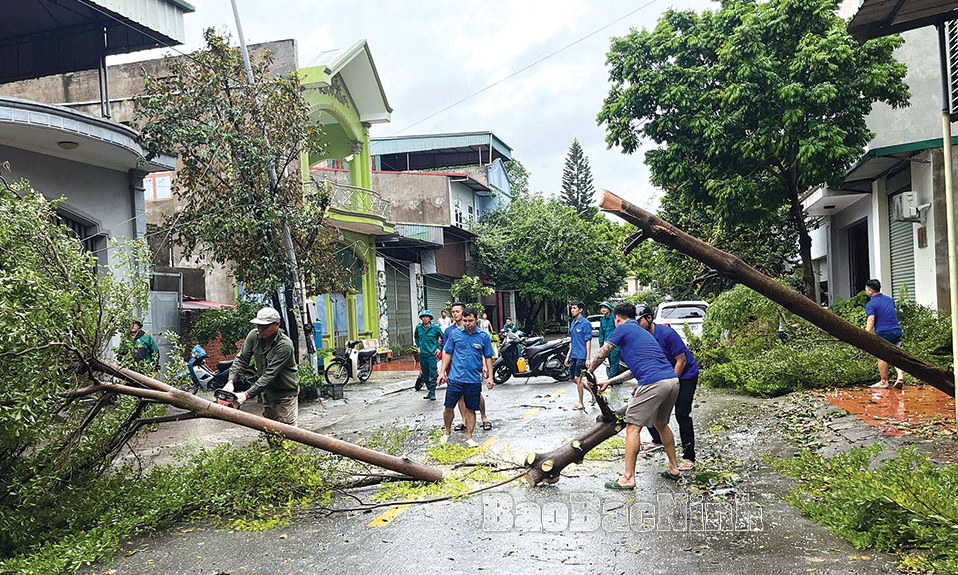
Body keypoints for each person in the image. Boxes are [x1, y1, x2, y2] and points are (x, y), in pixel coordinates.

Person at [589, 302, 681, 488]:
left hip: (653, 383)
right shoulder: (643, 334)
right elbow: (633, 371)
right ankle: (673, 467)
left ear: (617, 318)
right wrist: (609, 381)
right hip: (672, 381)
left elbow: (603, 352)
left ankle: (628, 478)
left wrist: (589, 371)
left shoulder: (622, 328)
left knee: (633, 427)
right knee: (661, 424)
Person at [636, 305, 699, 471]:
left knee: (682, 414)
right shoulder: (642, 338)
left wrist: (672, 383)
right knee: (650, 407)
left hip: (685, 375)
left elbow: (681, 360)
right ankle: (657, 440)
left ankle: (688, 456)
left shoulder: (667, 334)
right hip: (663, 376)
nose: (636, 324)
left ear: (649, 318)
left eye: (639, 320)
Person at [225, 307, 300, 426]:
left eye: (264, 327)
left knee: (287, 433)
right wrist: (230, 381)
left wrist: (246, 395)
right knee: (270, 430)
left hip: (285, 395)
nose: (260, 329)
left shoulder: (284, 345)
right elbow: (242, 359)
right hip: (267, 393)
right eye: (258, 325)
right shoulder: (254, 336)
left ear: (276, 324)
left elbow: (269, 375)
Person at [437, 306, 495, 446]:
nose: (467, 323)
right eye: (465, 320)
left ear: (476, 320)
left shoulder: (483, 336)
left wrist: (490, 377)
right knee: (448, 407)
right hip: (455, 378)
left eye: (470, 320)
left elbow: (488, 357)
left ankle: (469, 437)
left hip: (473, 379)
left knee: (470, 408)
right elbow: (447, 353)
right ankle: (447, 432)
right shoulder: (455, 334)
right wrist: (442, 372)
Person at [864, 279, 905, 389]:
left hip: (884, 333)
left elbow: (871, 319)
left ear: (870, 290)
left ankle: (883, 381)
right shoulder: (889, 299)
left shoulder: (871, 303)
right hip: (896, 331)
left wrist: (866, 333)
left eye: (866, 289)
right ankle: (900, 376)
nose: (866, 291)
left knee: (881, 356)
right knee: (895, 355)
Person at [566, 300, 593, 410]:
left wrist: (588, 358)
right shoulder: (573, 322)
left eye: (574, 308)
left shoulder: (585, 324)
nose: (572, 310)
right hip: (573, 355)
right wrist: (568, 356)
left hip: (582, 355)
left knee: (578, 378)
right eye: (571, 308)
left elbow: (588, 341)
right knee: (574, 379)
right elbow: (572, 341)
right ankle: (593, 393)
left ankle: (581, 403)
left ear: (580, 310)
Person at [415, 310, 443, 401]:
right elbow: (416, 337)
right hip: (423, 355)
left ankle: (432, 391)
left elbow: (444, 337)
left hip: (432, 355)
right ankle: (429, 390)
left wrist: (439, 348)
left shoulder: (435, 328)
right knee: (425, 373)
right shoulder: (418, 327)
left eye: (427, 316)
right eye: (423, 317)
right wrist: (418, 346)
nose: (425, 318)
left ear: (430, 318)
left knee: (433, 373)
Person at [597, 302, 620, 379]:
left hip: (615, 345)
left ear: (609, 309)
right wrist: (601, 346)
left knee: (614, 362)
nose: (603, 309)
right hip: (607, 345)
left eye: (605, 308)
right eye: (602, 308)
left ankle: (610, 380)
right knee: (610, 361)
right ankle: (616, 379)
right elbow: (601, 333)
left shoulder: (614, 318)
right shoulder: (602, 320)